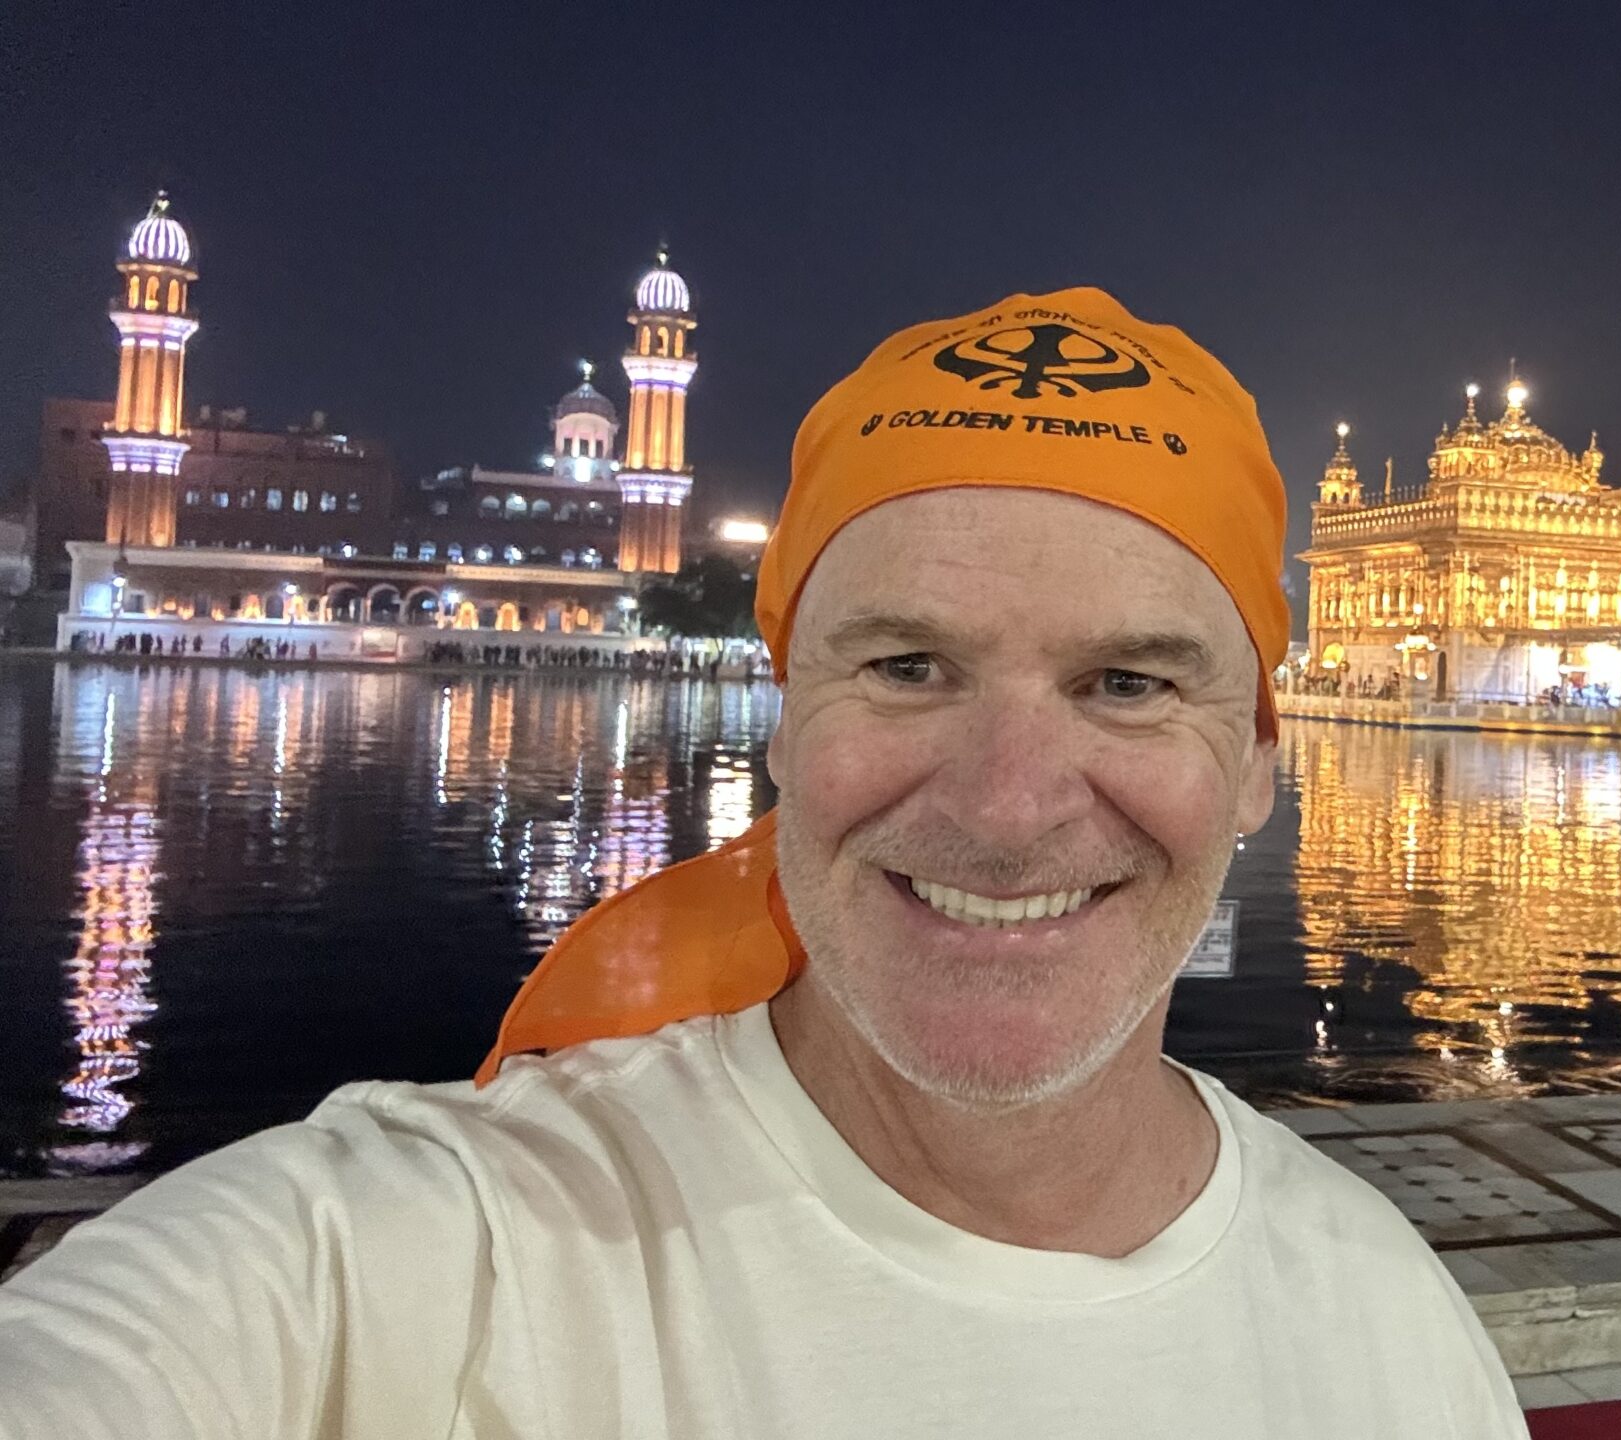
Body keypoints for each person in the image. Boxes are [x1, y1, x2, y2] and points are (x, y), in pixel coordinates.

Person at [0, 288, 1525, 1438]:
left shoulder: (1383, 1318)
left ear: (1258, 756)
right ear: (783, 717)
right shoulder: (415, 1260)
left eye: (1129, 684)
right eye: (910, 666)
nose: (1006, 805)